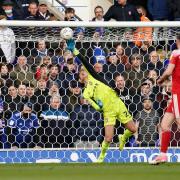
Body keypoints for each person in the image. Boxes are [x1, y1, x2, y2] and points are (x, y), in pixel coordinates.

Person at [66, 39, 137, 163]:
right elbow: (96, 107)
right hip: (108, 112)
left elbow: (84, 61)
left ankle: (123, 137)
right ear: (80, 77)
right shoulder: (86, 93)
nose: (84, 74)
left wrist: (74, 50)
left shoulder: (95, 77)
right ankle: (101, 157)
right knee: (108, 138)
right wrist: (98, 105)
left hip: (118, 104)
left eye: (85, 72)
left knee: (133, 129)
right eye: (81, 73)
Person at [149, 34, 180, 164]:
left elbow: (168, 71)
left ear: (177, 41)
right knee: (165, 125)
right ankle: (163, 155)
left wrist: (160, 80)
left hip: (178, 94)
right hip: (174, 95)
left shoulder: (176, 52)